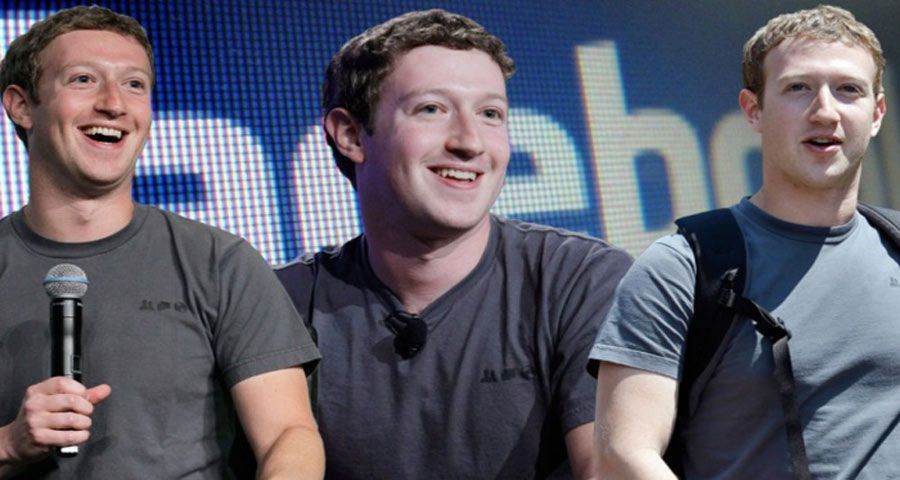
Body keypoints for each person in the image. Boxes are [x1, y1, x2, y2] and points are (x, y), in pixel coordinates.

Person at [275, 8, 631, 479]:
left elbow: (610, 467)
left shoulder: (581, 280)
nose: (470, 142)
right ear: (350, 134)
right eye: (432, 109)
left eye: (490, 114)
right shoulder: (279, 304)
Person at [0, 6, 323, 478]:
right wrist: (9, 444)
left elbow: (288, 436)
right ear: (21, 106)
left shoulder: (218, 262)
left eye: (134, 84)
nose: (114, 103)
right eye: (84, 79)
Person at [589, 5, 895, 479]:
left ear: (876, 114)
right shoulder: (681, 269)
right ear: (754, 110)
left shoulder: (894, 246)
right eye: (798, 88)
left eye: (848, 89)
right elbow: (621, 456)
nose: (825, 112)